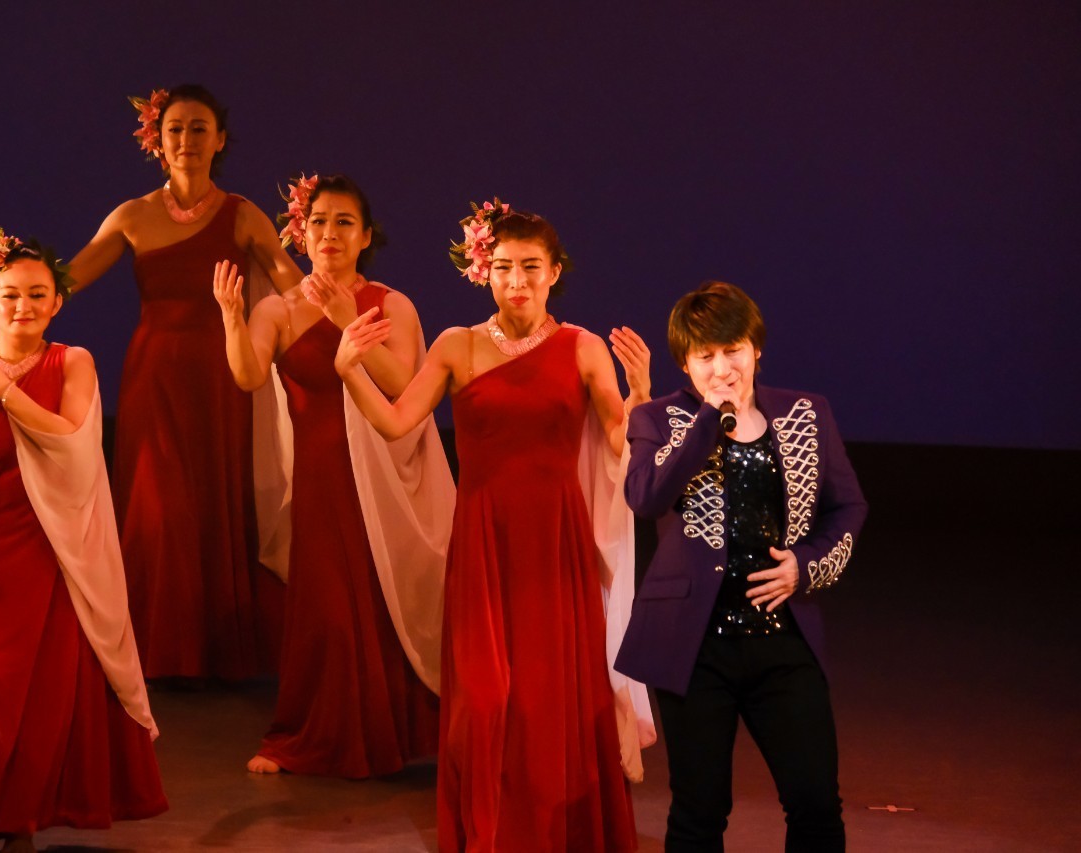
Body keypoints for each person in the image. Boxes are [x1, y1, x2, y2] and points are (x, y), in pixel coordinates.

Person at [334, 201, 653, 851]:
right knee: (484, 698)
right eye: (503, 266)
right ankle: (490, 829)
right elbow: (396, 423)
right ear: (485, 271)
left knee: (548, 696)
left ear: (554, 272)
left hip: (555, 546)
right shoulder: (457, 344)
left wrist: (641, 392)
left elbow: (622, 442)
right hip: (483, 544)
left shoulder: (582, 347)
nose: (517, 280)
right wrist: (348, 368)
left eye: (531, 267)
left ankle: (551, 831)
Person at [616, 280, 869, 852]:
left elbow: (848, 507)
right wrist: (709, 419)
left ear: (756, 349)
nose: (722, 368)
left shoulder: (806, 412)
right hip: (693, 646)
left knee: (815, 803)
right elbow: (647, 498)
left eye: (732, 351)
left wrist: (805, 566)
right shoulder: (658, 419)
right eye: (705, 356)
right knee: (700, 811)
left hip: (782, 641)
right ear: (685, 363)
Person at [213, 174, 446, 777]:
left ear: (366, 236)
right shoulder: (278, 308)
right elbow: (247, 375)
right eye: (318, 221)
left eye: (344, 222)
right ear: (302, 232)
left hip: (382, 476)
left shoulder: (392, 304)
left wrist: (348, 321)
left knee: (381, 598)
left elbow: (405, 387)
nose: (329, 233)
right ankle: (315, 733)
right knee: (326, 608)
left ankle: (392, 735)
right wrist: (232, 317)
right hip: (319, 478)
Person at [67, 84, 303, 680]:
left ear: (219, 140)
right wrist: (7, 281)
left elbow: (294, 288)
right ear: (157, 139)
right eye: (175, 128)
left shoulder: (242, 214)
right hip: (153, 377)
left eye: (200, 128)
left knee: (214, 498)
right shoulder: (132, 215)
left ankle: (215, 651)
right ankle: (154, 649)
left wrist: (346, 303)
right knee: (157, 501)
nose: (187, 139)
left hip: (222, 374)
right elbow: (67, 279)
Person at [0, 231, 167, 853]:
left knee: (43, 692)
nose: (24, 306)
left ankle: (19, 821)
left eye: (38, 294)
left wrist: (6, 390)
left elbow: (70, 436)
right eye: (11, 294)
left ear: (57, 302)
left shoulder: (73, 362)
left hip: (59, 547)